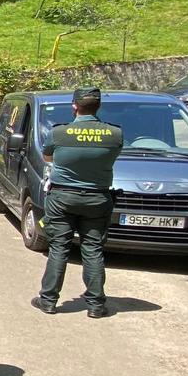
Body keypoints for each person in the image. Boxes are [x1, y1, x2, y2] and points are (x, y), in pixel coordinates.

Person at [31, 86, 123, 319]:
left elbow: (48, 157)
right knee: (93, 249)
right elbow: (113, 156)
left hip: (63, 197)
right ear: (98, 105)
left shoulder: (59, 133)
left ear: (74, 106)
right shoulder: (114, 134)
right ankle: (95, 305)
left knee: (59, 247)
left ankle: (49, 300)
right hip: (97, 198)